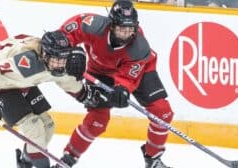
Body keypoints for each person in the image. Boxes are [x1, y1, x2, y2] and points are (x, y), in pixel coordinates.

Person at [51, 0, 175, 168]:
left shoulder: (139, 47)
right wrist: (66, 51)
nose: (125, 34)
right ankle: (68, 158)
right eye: (121, 28)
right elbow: (67, 34)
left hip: (141, 69)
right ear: (111, 25)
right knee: (98, 120)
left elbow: (129, 76)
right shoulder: (92, 25)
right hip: (99, 72)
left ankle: (153, 159)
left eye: (130, 29)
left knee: (162, 112)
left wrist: (122, 88)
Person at [0, 30, 88, 168]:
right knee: (34, 129)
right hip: (1, 85)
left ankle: (25, 163)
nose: (60, 64)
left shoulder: (54, 58)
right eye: (56, 59)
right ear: (45, 55)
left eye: (63, 58)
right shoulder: (27, 63)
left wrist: (85, 95)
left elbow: (67, 80)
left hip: (22, 82)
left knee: (48, 126)